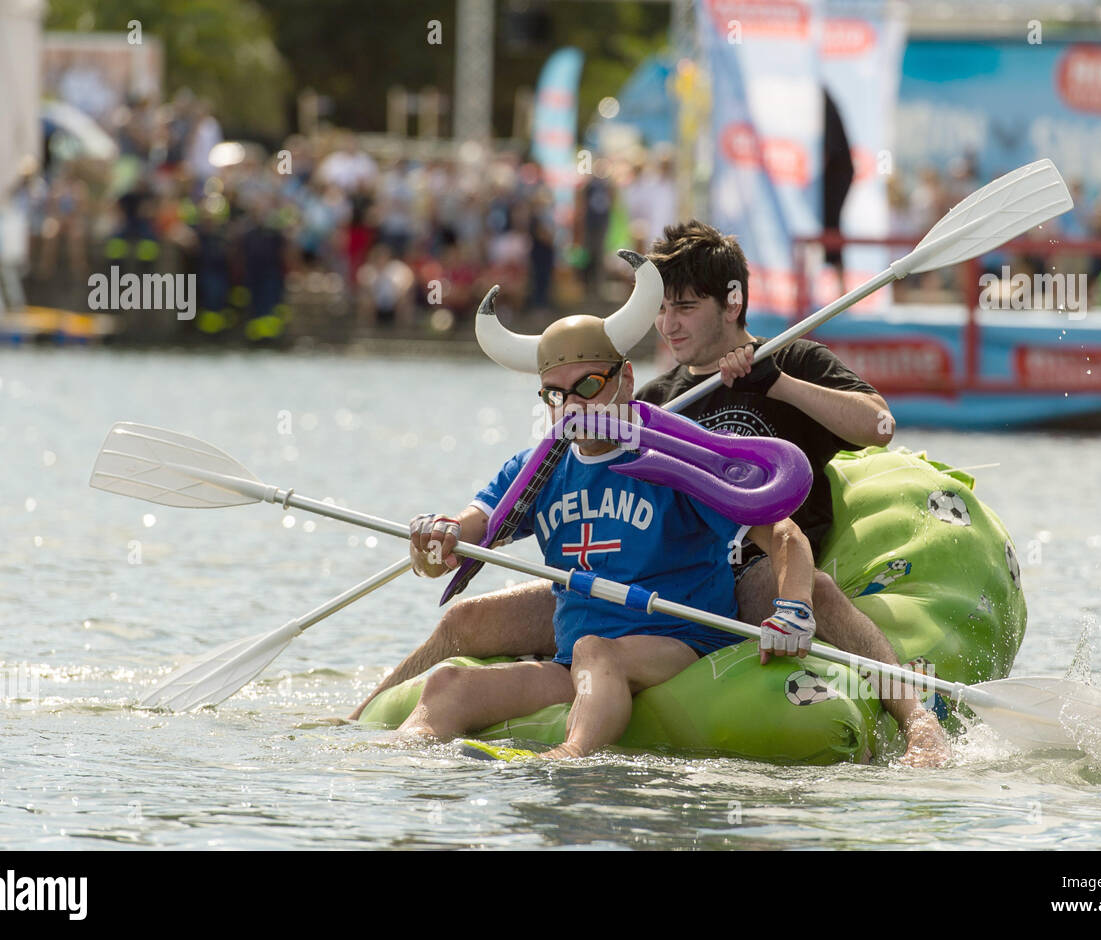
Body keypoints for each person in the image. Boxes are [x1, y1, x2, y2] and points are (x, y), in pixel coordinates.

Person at [351, 233, 949, 766]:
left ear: (731, 302)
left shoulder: (753, 384)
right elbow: (475, 527)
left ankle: (915, 716)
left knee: (796, 594)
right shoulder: (654, 405)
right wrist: (438, 540)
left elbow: (873, 431)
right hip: (604, 590)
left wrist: (775, 383)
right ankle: (359, 725)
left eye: (684, 307)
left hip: (716, 590)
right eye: (661, 309)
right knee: (468, 630)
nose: (669, 324)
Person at [390, 256, 817, 759]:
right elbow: (466, 535)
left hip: (678, 643)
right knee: (448, 685)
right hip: (578, 659)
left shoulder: (678, 454)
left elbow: (786, 537)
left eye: (589, 387)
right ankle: (390, 767)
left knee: (597, 650)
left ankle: (571, 758)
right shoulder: (536, 469)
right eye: (556, 394)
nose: (573, 408)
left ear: (626, 379)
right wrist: (436, 540)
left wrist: (794, 612)